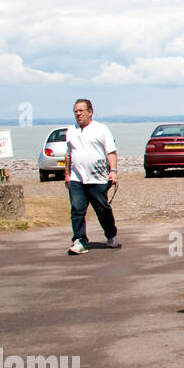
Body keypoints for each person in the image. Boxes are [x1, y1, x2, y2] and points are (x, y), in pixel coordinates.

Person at [64, 98, 120, 254]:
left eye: (81, 111)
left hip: (98, 178)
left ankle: (111, 235)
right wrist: (67, 174)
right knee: (77, 209)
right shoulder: (71, 131)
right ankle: (79, 240)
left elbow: (111, 152)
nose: (78, 114)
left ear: (90, 112)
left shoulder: (101, 129)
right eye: (75, 111)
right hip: (77, 178)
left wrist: (113, 172)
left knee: (102, 209)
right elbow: (68, 154)